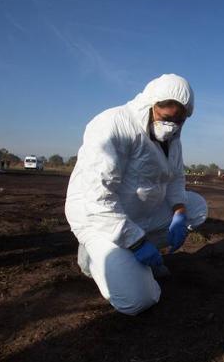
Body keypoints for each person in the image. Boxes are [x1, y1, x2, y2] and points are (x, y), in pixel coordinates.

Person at [65, 74, 208, 315]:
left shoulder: (173, 139)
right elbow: (97, 199)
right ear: (151, 104)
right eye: (167, 118)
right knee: (139, 300)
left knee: (197, 207)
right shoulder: (113, 125)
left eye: (180, 121)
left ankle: (131, 254)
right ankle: (93, 254)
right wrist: (137, 242)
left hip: (139, 213)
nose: (172, 126)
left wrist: (180, 212)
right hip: (99, 219)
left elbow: (175, 179)